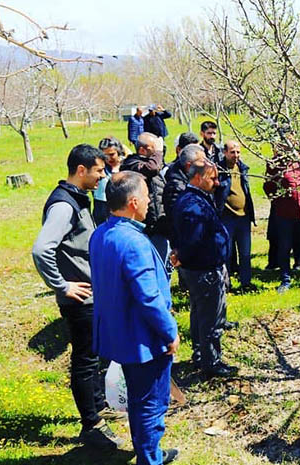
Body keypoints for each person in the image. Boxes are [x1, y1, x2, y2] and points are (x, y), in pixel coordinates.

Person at [32, 144, 125, 449]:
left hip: (92, 297)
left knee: (94, 357)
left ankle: (99, 406)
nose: (104, 175)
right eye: (99, 170)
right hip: (79, 300)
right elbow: (42, 249)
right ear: (81, 170)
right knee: (84, 361)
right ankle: (92, 425)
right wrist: (62, 286)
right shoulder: (64, 205)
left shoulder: (78, 199)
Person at [90, 171, 180, 465]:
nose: (149, 201)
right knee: (151, 403)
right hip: (143, 339)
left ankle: (149, 452)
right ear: (132, 202)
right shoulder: (134, 242)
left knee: (141, 400)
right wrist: (169, 332)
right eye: (145, 196)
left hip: (118, 333)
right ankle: (150, 458)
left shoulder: (100, 234)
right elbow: (149, 298)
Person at [172, 157, 237, 378]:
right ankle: (212, 362)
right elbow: (193, 239)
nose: (217, 182)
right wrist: (183, 257)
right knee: (210, 318)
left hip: (200, 268)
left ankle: (201, 354)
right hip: (204, 270)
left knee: (200, 313)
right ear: (198, 178)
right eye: (213, 178)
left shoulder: (195, 197)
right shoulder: (193, 204)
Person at [263, 132, 300, 292]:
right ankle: (285, 280)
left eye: (292, 138)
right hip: (285, 213)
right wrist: (280, 200)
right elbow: (268, 187)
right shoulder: (275, 163)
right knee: (284, 246)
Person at [121, 132, 170, 268]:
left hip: (160, 226)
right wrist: (158, 152)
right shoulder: (131, 164)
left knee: (164, 265)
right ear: (142, 150)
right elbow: (152, 169)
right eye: (153, 149)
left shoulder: (152, 162)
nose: (157, 152)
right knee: (151, 266)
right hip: (145, 228)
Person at [216, 140, 256, 289]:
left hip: (244, 217)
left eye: (238, 152)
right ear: (225, 153)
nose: (236, 155)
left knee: (245, 253)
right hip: (227, 218)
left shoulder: (242, 168)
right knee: (227, 253)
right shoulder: (219, 170)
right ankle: (226, 285)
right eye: (232, 152)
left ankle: (246, 283)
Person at [93, 136, 125, 225]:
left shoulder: (126, 165)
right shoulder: (99, 166)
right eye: (105, 155)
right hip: (101, 204)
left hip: (120, 204)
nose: (108, 158)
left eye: (112, 154)